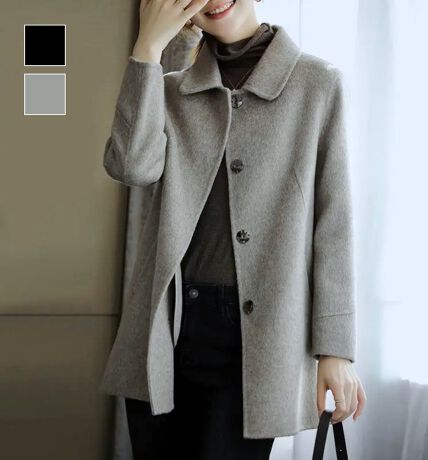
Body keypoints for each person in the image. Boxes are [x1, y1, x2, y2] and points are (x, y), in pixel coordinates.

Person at [101, 1, 367, 459]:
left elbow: (334, 225)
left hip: (256, 336)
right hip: (165, 329)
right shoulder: (169, 89)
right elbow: (130, 167)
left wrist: (335, 349)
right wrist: (147, 46)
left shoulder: (317, 84)